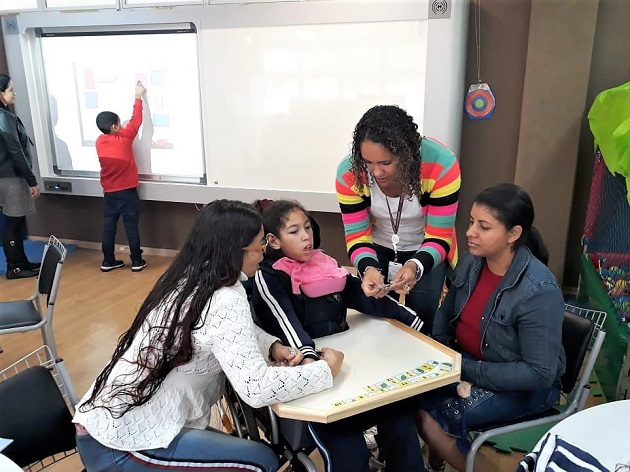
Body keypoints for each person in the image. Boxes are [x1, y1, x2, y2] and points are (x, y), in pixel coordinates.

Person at [73, 199, 344, 472]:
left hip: (111, 423)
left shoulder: (194, 276)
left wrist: (271, 346)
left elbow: (215, 331)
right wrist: (325, 370)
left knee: (255, 453)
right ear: (236, 251)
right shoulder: (224, 298)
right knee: (260, 462)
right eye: (259, 245)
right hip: (122, 443)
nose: (263, 254)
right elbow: (256, 388)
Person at [251, 199, 425, 472]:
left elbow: (361, 294)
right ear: (273, 241)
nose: (306, 236)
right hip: (309, 374)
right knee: (346, 441)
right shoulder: (269, 277)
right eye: (294, 231)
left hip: (345, 361)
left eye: (307, 227)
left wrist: (409, 319)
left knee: (400, 417)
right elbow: (287, 324)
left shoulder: (323, 263)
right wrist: (310, 358)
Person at [414, 183, 565, 472]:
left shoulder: (539, 290)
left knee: (433, 416)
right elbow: (446, 313)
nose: (470, 232)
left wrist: (461, 369)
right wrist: (441, 350)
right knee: (405, 398)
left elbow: (540, 373)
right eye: (471, 222)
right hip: (469, 364)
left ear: (513, 234)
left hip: (523, 387)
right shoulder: (473, 262)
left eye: (484, 227)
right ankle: (437, 461)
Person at [336, 105, 461, 334]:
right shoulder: (349, 173)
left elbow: (439, 236)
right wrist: (368, 267)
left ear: (407, 155)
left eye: (386, 163)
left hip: (427, 252)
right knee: (378, 320)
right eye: (368, 162)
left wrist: (416, 265)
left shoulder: (441, 164)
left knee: (423, 324)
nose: (376, 172)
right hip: (378, 248)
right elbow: (356, 235)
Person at [95, 81, 147, 273]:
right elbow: (136, 120)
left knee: (109, 227)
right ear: (116, 127)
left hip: (109, 193)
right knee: (131, 227)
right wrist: (138, 96)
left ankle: (108, 261)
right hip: (127, 192)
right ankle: (136, 261)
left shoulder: (100, 142)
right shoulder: (124, 138)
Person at [0, 73, 41, 280]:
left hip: (7, 176)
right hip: (11, 177)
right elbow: (15, 151)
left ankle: (21, 261)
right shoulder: (3, 117)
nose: (13, 93)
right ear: (0, 93)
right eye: (10, 90)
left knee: (15, 222)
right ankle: (15, 267)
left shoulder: (4, 115)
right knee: (13, 222)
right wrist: (31, 179)